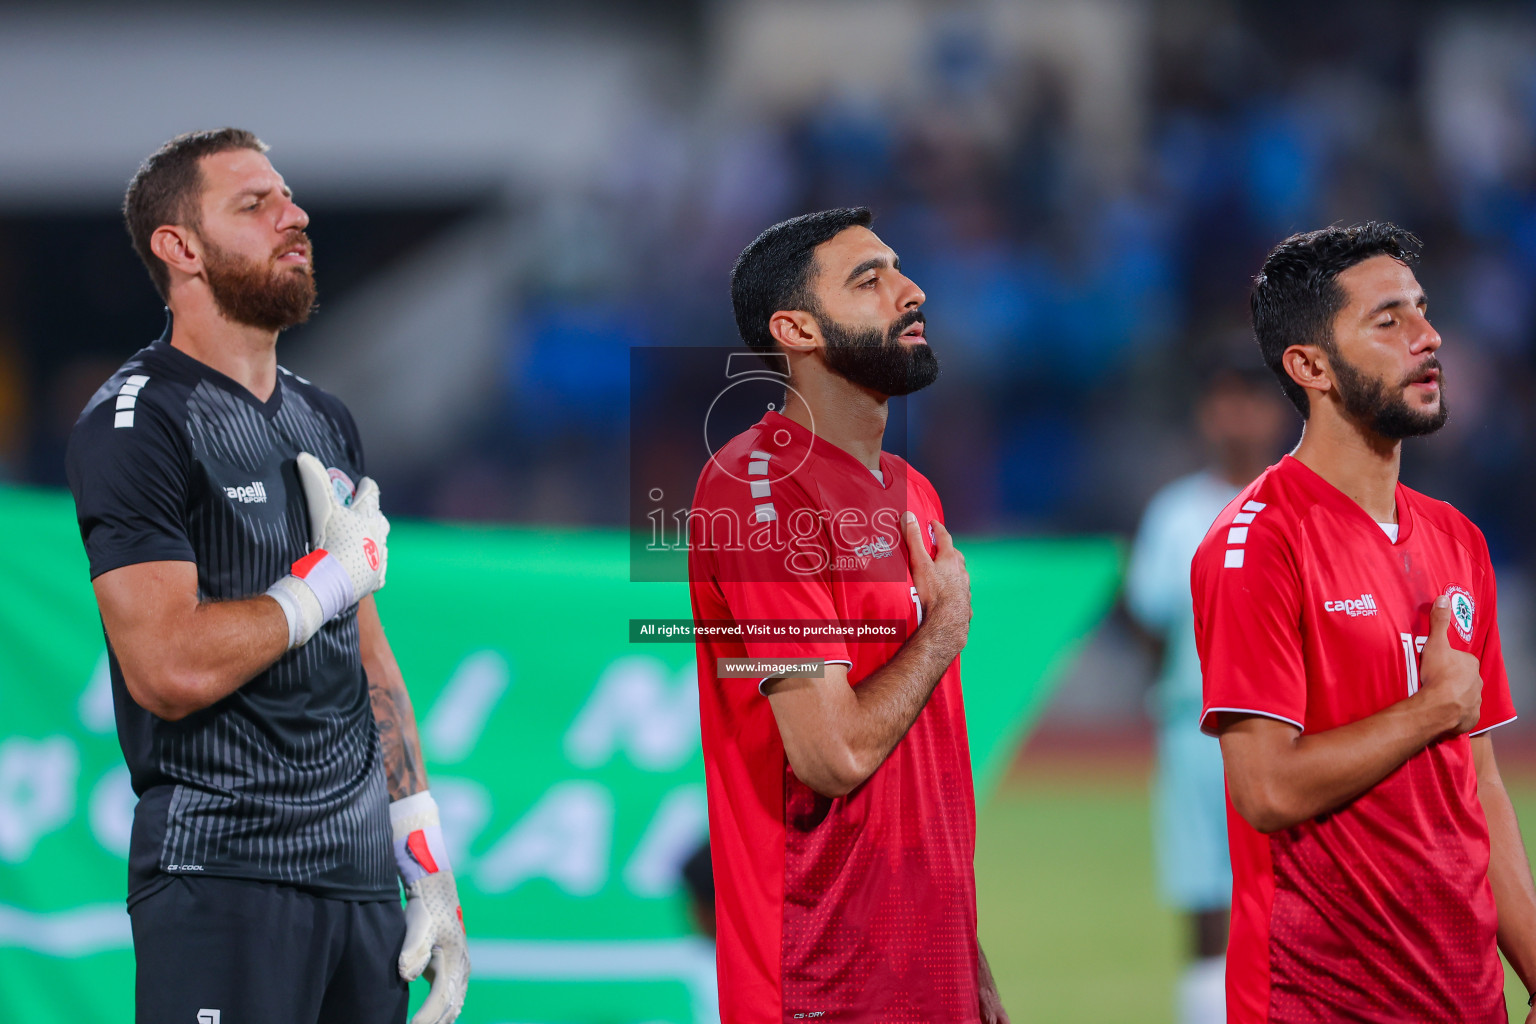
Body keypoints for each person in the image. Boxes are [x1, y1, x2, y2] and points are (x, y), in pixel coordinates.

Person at [65, 129, 470, 1024]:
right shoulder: (138, 421)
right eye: (255, 205)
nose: (296, 217)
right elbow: (167, 668)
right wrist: (325, 580)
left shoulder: (324, 418)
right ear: (180, 249)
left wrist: (424, 865)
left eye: (289, 199)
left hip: (363, 890)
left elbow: (367, 653)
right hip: (224, 878)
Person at [1193, 222, 1536, 1022]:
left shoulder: (1458, 539)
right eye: (1388, 321)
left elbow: (1480, 789)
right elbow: (1268, 789)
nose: (1428, 336)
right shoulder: (1258, 543)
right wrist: (1431, 710)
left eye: (1421, 310)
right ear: (1310, 367)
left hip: (1464, 998)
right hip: (1323, 1003)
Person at [687, 207, 1007, 1024]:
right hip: (822, 978)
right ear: (795, 327)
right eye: (870, 280)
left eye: (898, 271)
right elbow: (831, 755)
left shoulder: (911, 488)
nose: (911, 291)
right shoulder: (754, 488)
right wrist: (943, 629)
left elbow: (915, 765)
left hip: (927, 965)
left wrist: (966, 957)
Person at [1124, 365, 1290, 1024]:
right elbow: (1147, 620)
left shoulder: (1300, 504)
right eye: (1222, 402)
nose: (1236, 418)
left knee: (1290, 903)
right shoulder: (1175, 514)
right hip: (1194, 733)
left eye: (1249, 402)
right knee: (1206, 904)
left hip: (1289, 732)